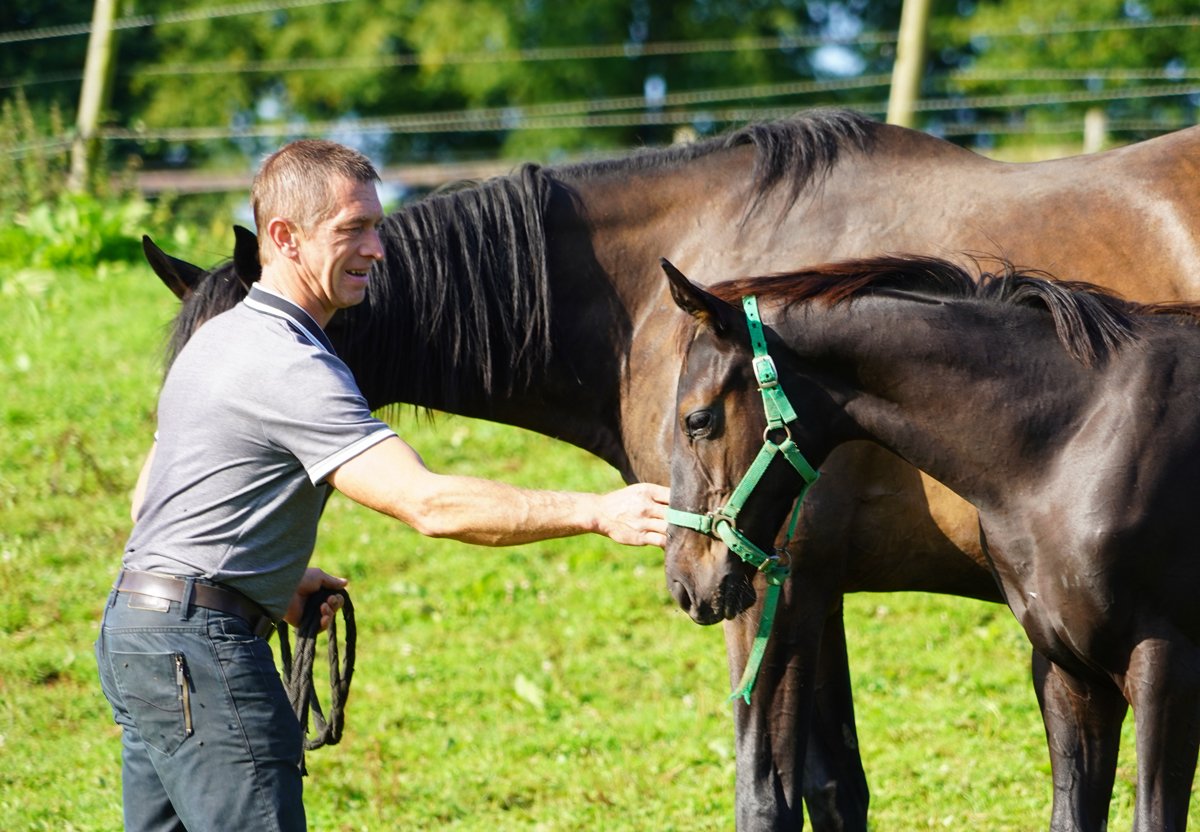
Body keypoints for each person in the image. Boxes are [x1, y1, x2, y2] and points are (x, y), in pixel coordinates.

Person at [95, 139, 670, 832]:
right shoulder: (293, 364)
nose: (377, 249)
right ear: (284, 237)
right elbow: (427, 503)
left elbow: (149, 505)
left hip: (138, 637)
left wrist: (271, 579)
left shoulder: (213, 339)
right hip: (202, 656)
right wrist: (599, 510)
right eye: (353, 230)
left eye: (376, 226)